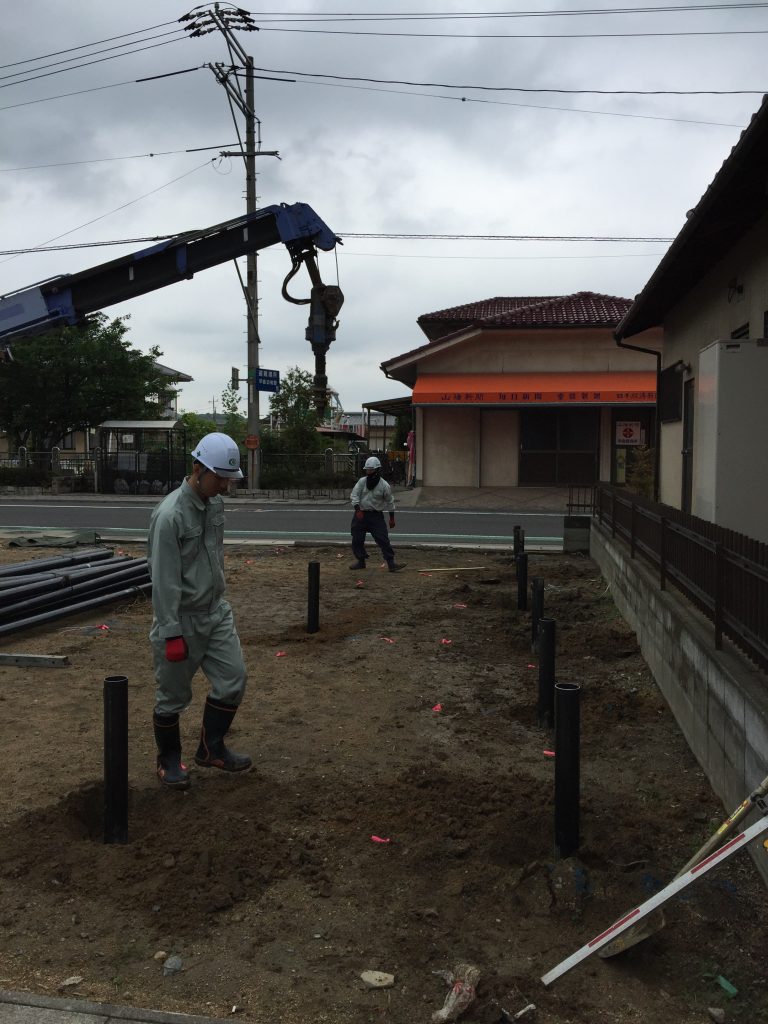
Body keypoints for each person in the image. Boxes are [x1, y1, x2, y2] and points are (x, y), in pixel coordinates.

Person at [148, 432, 251, 789]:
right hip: (183, 618)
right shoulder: (170, 516)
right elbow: (163, 580)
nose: (224, 484)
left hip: (215, 611)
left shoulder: (215, 504)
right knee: (172, 697)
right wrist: (171, 630)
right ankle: (169, 760)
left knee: (233, 678)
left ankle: (211, 748)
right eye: (219, 477)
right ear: (198, 468)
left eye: (228, 478)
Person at [349, 455, 406, 573]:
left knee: (383, 539)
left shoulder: (384, 485)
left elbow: (390, 501)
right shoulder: (362, 482)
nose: (368, 472)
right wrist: (357, 509)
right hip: (361, 514)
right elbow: (354, 495)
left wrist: (392, 518)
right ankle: (361, 561)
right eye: (367, 470)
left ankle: (391, 563)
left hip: (376, 515)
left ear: (377, 470)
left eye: (371, 470)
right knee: (357, 539)